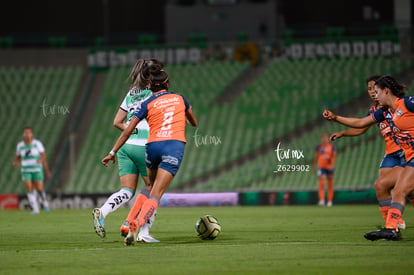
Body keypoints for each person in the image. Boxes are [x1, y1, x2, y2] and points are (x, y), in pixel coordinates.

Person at [102, 63, 198, 246]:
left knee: (149, 186)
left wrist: (112, 152)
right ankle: (137, 225)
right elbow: (194, 123)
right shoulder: (180, 98)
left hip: (151, 146)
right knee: (156, 193)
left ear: (151, 87)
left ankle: (127, 222)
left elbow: (126, 130)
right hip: (172, 146)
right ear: (167, 84)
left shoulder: (147, 103)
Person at [323, 75, 414, 241]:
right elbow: (360, 123)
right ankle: (391, 228)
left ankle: (390, 228)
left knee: (400, 190)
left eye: (377, 91)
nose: (374, 95)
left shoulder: (407, 103)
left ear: (386, 91)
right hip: (409, 158)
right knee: (387, 186)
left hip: (409, 158)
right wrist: (336, 118)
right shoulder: (384, 111)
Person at [93, 59, 160, 242]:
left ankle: (103, 212)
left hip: (126, 145)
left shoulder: (131, 93)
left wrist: (132, 131)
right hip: (143, 145)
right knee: (153, 190)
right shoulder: (153, 91)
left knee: (127, 190)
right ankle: (143, 232)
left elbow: (117, 122)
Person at [13, 126, 51, 214]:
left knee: (39, 188)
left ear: (31, 134)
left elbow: (44, 155)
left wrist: (41, 160)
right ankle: (35, 208)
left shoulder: (37, 144)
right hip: (25, 170)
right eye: (25, 133)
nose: (27, 134)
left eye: (29, 133)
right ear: (23, 134)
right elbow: (18, 156)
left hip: (37, 169)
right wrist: (15, 161)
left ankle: (44, 202)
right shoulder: (20, 145)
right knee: (29, 188)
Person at [313, 133, 336, 206]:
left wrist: (332, 165)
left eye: (326, 137)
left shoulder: (332, 147)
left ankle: (329, 201)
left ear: (328, 139)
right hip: (321, 167)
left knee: (330, 184)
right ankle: (322, 200)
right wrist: (314, 167)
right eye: (323, 138)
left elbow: (334, 156)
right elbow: (316, 157)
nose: (324, 139)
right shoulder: (319, 147)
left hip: (329, 167)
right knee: (321, 183)